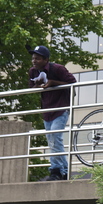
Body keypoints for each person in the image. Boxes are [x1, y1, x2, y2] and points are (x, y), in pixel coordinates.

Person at [29, 45, 75, 182]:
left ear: (46, 59)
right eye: (33, 58)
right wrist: (37, 85)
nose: (34, 61)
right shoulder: (33, 72)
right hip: (47, 110)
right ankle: (61, 171)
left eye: (37, 58)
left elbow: (73, 82)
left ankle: (59, 170)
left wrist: (53, 82)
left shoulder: (58, 69)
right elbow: (31, 88)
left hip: (61, 108)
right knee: (51, 140)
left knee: (55, 137)